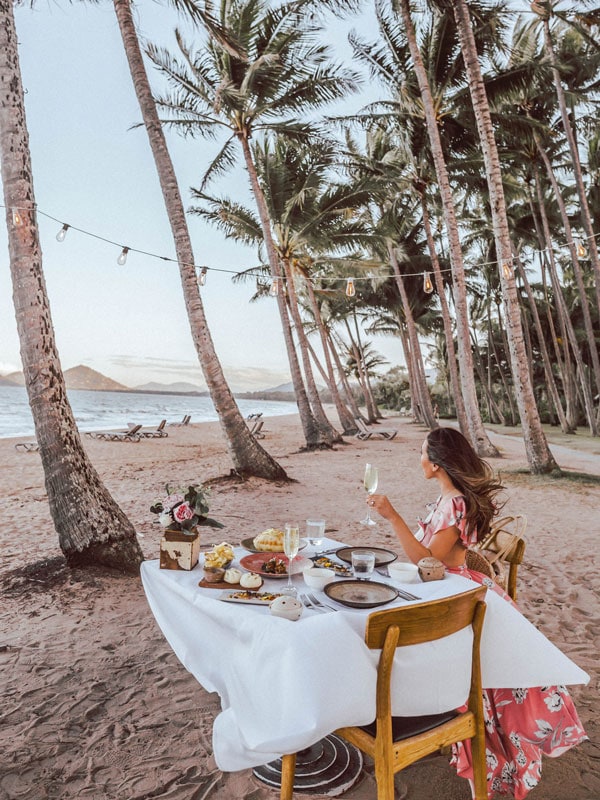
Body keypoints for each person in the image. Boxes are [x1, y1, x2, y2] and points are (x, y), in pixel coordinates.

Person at [368, 426, 587, 800]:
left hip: (459, 589)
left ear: (436, 463)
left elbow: (427, 560)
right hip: (450, 583)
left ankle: (463, 736)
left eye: (422, 452)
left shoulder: (454, 504)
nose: (419, 459)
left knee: (486, 682)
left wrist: (392, 516)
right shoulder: (446, 500)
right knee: (486, 681)